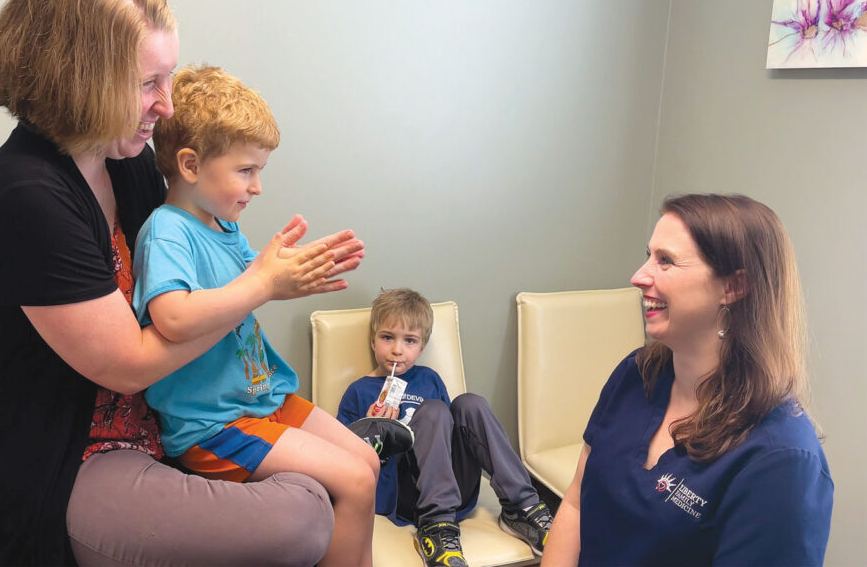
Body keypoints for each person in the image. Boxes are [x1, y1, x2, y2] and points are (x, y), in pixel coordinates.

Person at [0, 0, 363, 565]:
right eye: (148, 83)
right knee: (304, 513)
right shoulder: (24, 196)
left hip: (161, 423)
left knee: (340, 477)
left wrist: (280, 273)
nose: (165, 107)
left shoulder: (130, 162)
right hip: (64, 463)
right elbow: (129, 363)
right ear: (78, 79)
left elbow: (198, 276)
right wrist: (260, 288)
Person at [133, 64, 377, 567]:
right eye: (247, 171)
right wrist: (264, 281)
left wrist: (294, 272)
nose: (257, 186)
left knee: (368, 460)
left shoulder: (223, 226)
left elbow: (254, 284)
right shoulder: (167, 232)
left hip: (263, 399)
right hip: (214, 425)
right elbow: (172, 319)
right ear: (191, 165)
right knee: (352, 481)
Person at [542, 194, 834, 567]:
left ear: (733, 286)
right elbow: (576, 503)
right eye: (649, 255)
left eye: (665, 261)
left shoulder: (781, 461)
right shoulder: (636, 375)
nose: (638, 276)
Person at [338, 288, 553, 567]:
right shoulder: (358, 392)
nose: (397, 349)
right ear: (373, 339)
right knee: (435, 410)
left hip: (452, 490)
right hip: (405, 497)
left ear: (422, 347)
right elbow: (342, 461)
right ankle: (436, 527)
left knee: (469, 403)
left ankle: (521, 507)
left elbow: (451, 437)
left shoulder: (430, 380)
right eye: (387, 337)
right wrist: (373, 431)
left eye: (410, 340)